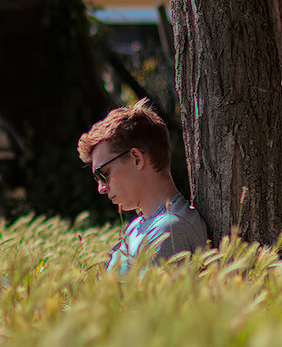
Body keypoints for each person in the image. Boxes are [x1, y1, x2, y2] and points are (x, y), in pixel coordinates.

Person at [78, 102, 209, 272]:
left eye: (104, 173)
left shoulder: (169, 230)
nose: (101, 188)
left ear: (137, 158)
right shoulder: (138, 226)